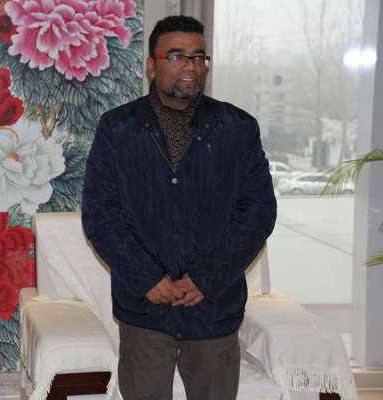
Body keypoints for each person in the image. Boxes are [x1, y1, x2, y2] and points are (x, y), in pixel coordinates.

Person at [81, 15, 277, 400]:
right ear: (151, 66)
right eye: (176, 56)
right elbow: (100, 214)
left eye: (198, 56)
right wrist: (147, 279)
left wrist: (206, 277)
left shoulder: (237, 128)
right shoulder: (117, 128)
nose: (190, 65)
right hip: (145, 310)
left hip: (214, 309)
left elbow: (258, 212)